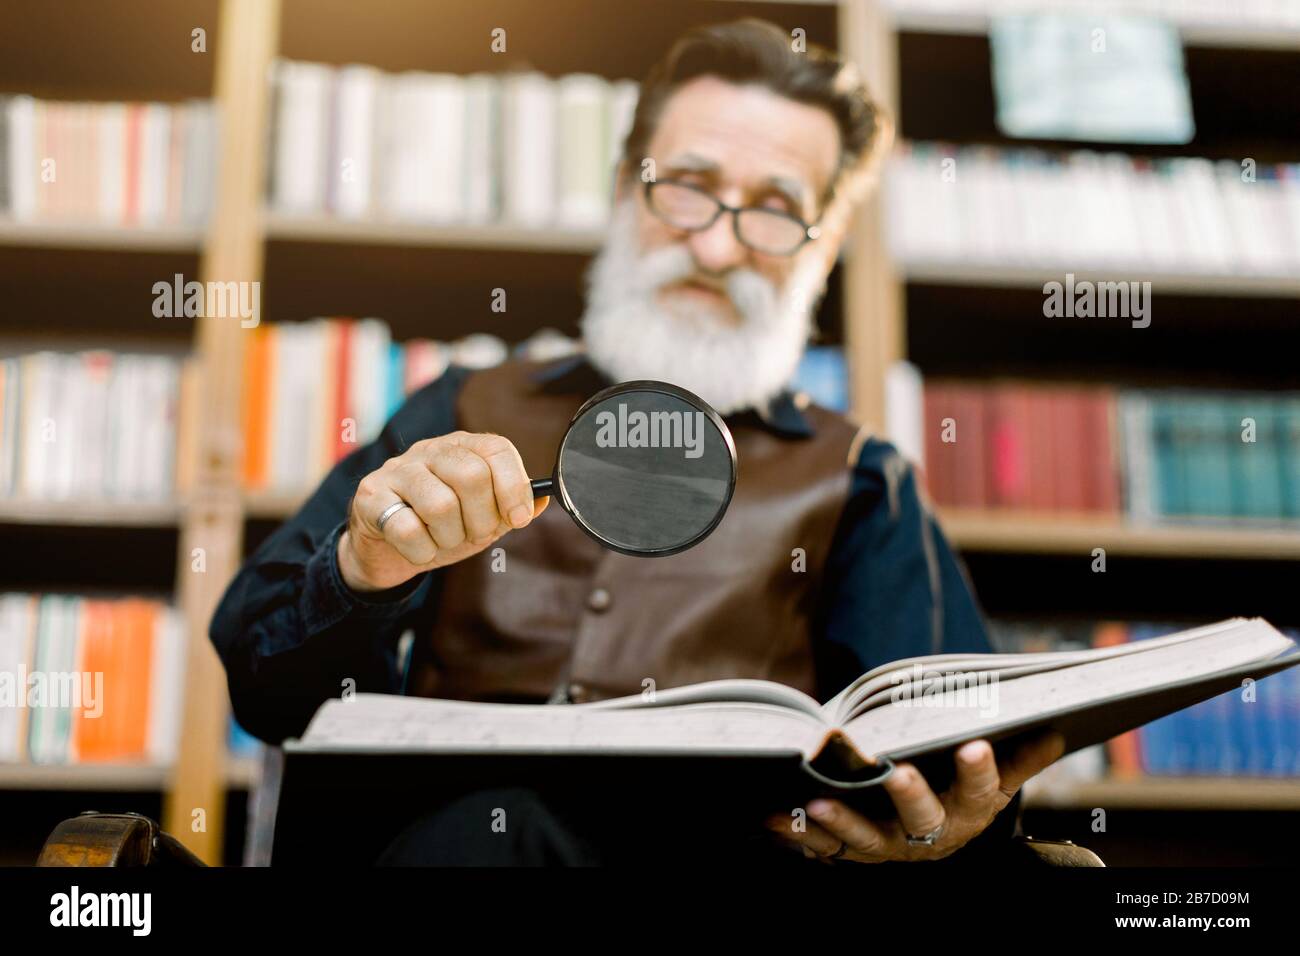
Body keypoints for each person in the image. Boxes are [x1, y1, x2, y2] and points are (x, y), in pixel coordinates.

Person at [210, 18, 1064, 866]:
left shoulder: (864, 477)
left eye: (774, 210)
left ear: (825, 246)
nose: (717, 244)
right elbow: (263, 685)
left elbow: (963, 756)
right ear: (627, 187)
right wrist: (362, 572)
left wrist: (953, 826)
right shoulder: (461, 405)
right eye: (687, 186)